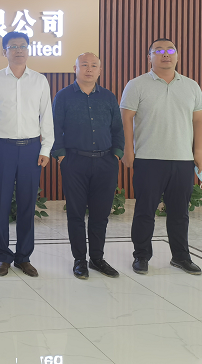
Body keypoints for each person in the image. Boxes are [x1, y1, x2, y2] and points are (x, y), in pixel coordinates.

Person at [121, 38, 202, 275]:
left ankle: (181, 257)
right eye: (158, 51)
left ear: (177, 56)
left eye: (170, 50)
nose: (165, 54)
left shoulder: (191, 86)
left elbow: (199, 121)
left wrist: (199, 152)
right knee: (144, 211)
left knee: (180, 213)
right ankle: (141, 256)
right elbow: (126, 118)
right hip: (148, 159)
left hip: (182, 160)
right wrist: (128, 150)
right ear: (149, 57)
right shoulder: (136, 84)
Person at [0, 31, 53, 278]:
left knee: (27, 204)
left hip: (31, 149)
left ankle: (23, 257)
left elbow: (47, 116)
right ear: (4, 51)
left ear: (28, 50)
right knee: (0, 204)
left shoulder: (39, 80)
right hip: (1, 148)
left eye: (23, 46)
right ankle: (2, 256)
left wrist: (46, 148)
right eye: (13, 46)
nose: (19, 50)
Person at [51, 52, 124, 280]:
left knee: (100, 215)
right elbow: (54, 127)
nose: (89, 69)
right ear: (75, 68)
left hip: (105, 162)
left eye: (94, 65)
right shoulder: (63, 96)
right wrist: (61, 156)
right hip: (74, 162)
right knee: (76, 214)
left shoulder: (108, 97)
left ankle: (97, 259)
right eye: (84, 65)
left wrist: (117, 155)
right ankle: (80, 260)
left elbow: (117, 128)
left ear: (100, 70)